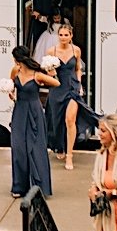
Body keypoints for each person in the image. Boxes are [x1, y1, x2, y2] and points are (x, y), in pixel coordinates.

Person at [7, 45, 60, 199]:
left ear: (18, 59)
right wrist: (10, 92)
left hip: (34, 111)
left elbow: (56, 83)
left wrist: (51, 73)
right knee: (18, 147)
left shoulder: (37, 75)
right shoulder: (15, 71)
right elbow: (11, 85)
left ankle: (39, 186)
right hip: (19, 111)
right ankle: (19, 186)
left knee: (36, 148)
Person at [44, 21, 97, 171]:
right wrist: (51, 73)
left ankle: (69, 155)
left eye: (66, 35)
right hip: (57, 88)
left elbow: (78, 68)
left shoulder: (76, 50)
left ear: (71, 36)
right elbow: (46, 72)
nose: (63, 37)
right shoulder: (51, 51)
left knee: (70, 120)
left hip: (72, 87)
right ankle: (59, 147)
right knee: (57, 120)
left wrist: (79, 85)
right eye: (60, 35)